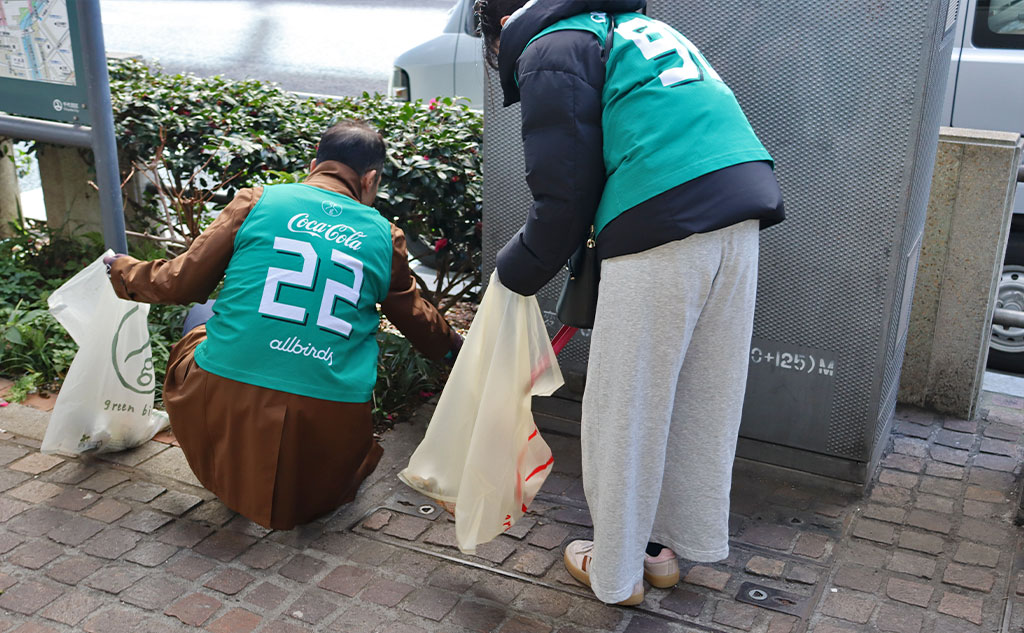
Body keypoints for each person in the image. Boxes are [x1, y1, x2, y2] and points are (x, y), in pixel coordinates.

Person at [475, 0, 785, 605]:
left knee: (627, 405)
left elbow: (563, 199)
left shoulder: (552, 46)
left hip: (659, 214)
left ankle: (616, 573)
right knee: (701, 392)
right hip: (740, 207)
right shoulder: (636, 26)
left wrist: (513, 276)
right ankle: (662, 548)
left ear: (504, 24)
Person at [104, 120, 462, 530]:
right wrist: (457, 349)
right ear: (370, 180)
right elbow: (415, 318)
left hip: (224, 400)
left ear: (314, 166)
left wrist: (122, 269)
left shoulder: (257, 201)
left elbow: (179, 282)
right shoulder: (385, 235)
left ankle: (231, 464)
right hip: (328, 433)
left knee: (205, 316)